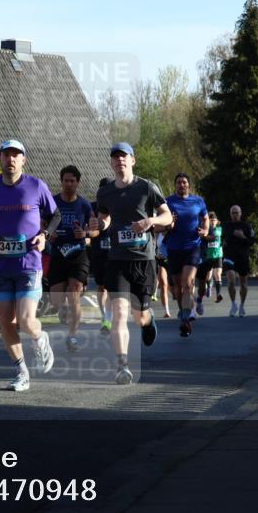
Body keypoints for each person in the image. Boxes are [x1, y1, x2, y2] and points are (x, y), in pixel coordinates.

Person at [0, 140, 56, 392]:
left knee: (27, 321)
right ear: (0, 158)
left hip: (29, 263)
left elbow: (55, 216)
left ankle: (41, 339)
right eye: (7, 155)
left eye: (16, 155)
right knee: (6, 322)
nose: (11, 159)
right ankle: (22, 371)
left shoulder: (36, 185)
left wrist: (45, 236)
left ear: (23, 160)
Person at [90, 143, 172, 384]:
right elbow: (105, 219)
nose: (119, 161)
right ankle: (122, 365)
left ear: (132, 161)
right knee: (119, 315)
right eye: (115, 158)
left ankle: (148, 321)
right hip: (117, 260)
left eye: (123, 157)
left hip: (143, 261)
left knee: (139, 317)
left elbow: (167, 216)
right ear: (111, 163)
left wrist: (150, 221)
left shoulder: (146, 187)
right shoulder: (104, 193)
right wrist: (100, 225)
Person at [48, 165, 93, 352]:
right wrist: (49, 234)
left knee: (74, 291)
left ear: (77, 183)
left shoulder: (84, 205)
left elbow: (95, 230)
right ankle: (64, 308)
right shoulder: (52, 202)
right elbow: (42, 224)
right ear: (61, 181)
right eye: (65, 180)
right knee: (57, 300)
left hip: (78, 254)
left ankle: (72, 336)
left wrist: (85, 233)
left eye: (72, 181)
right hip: (58, 254)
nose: (68, 184)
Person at [162, 174, 208, 337]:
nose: (182, 185)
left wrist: (206, 229)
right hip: (174, 248)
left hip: (192, 247)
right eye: (179, 182)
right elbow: (161, 222)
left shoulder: (198, 201)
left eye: (184, 182)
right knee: (177, 288)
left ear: (189, 185)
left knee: (187, 283)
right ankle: (184, 312)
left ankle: (185, 319)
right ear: (175, 185)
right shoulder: (168, 202)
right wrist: (168, 224)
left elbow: (205, 217)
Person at [222, 205, 256, 317]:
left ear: (240, 213)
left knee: (243, 284)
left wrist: (243, 237)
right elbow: (224, 237)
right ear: (230, 214)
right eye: (233, 213)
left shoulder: (247, 226)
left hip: (242, 257)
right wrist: (224, 241)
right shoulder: (226, 226)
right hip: (229, 256)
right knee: (231, 280)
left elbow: (252, 242)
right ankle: (233, 304)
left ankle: (241, 305)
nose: (235, 215)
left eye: (237, 213)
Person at [88, 178, 112, 333]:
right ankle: (104, 315)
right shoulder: (91, 207)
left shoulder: (118, 207)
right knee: (101, 287)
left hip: (115, 253)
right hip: (98, 252)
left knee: (112, 288)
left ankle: (108, 319)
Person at [195, 211, 224, 315]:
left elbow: (214, 237)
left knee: (203, 282)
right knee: (188, 282)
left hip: (206, 257)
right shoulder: (190, 221)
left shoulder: (209, 225)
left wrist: (204, 236)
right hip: (191, 256)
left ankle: (199, 300)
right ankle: (188, 311)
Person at [154, 231, 172, 318]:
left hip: (173, 260)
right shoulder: (158, 233)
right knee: (163, 284)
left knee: (175, 287)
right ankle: (166, 310)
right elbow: (155, 245)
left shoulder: (173, 231)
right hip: (161, 261)